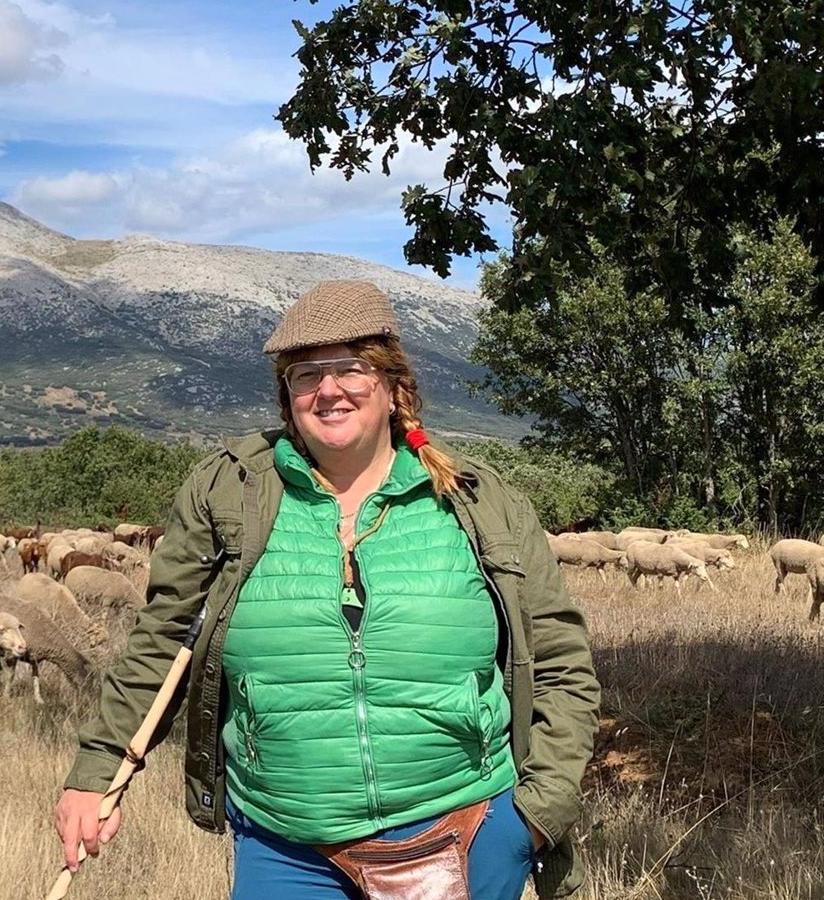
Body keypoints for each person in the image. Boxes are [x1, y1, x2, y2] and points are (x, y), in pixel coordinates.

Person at [53, 280, 600, 899]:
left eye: (351, 369)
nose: (329, 390)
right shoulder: (231, 495)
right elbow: (162, 641)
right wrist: (96, 773)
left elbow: (560, 660)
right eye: (307, 374)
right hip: (287, 850)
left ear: (395, 388)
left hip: (468, 832)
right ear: (287, 398)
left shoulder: (478, 501)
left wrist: (536, 814)